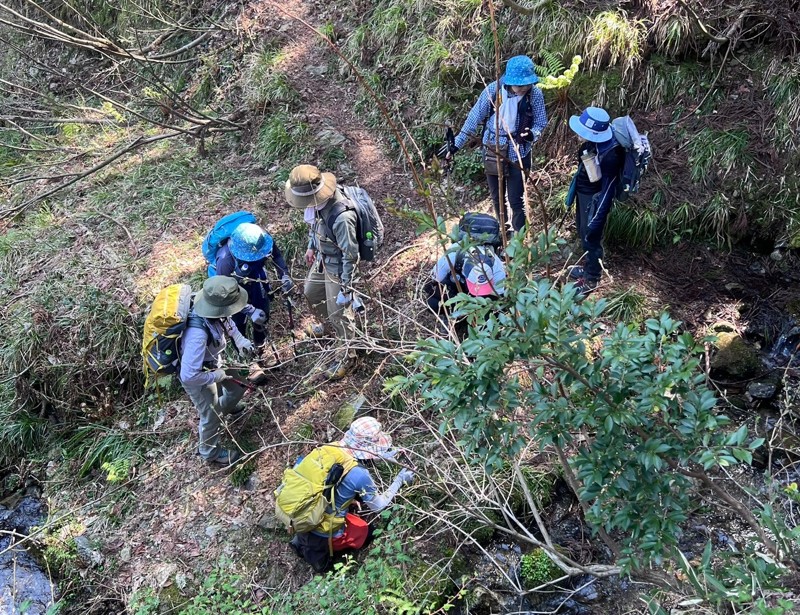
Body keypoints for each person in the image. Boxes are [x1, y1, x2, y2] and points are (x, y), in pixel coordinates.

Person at [288, 417, 415, 572]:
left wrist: (385, 455)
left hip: (304, 510)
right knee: (367, 532)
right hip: (323, 530)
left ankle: (302, 539)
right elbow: (378, 506)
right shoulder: (359, 474)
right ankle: (324, 560)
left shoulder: (328, 448)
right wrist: (399, 480)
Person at [440, 55, 548, 232]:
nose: (523, 89)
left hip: (519, 151)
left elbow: (540, 122)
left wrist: (532, 135)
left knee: (516, 199)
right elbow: (473, 119)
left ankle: (519, 238)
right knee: (497, 196)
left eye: (526, 85)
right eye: (519, 85)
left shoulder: (534, 94)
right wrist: (456, 145)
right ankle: (503, 232)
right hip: (493, 147)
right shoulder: (494, 91)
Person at [284, 164, 360, 380]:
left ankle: (348, 353)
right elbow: (315, 225)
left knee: (339, 311)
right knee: (312, 293)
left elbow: (350, 255)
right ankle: (330, 327)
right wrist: (311, 245)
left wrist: (346, 287)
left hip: (338, 267)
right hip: (322, 258)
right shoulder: (317, 204)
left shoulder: (342, 217)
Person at [179, 276, 257, 465]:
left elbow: (226, 321)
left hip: (214, 363)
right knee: (210, 414)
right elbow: (188, 375)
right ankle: (209, 452)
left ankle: (226, 407)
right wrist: (215, 376)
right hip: (198, 375)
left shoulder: (211, 307)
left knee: (238, 388)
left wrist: (240, 340)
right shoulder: (197, 336)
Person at [566, 107, 624, 297]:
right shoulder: (592, 145)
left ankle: (592, 278)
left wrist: (597, 219)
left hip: (594, 199)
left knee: (590, 235)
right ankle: (587, 267)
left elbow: (607, 190)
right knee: (583, 232)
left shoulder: (611, 155)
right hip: (584, 193)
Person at [425, 245, 507, 338]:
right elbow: (432, 285)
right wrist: (453, 302)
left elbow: (499, 300)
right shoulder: (449, 259)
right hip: (458, 289)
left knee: (491, 320)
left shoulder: (498, 272)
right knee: (433, 302)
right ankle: (450, 316)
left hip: (487, 295)